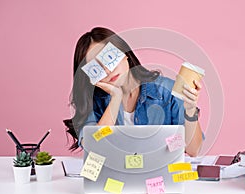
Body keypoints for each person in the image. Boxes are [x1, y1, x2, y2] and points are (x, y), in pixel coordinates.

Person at [64, 27, 204, 157]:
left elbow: (193, 150)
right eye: (96, 68)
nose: (108, 70)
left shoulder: (166, 91)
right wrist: (115, 98)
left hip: (161, 178)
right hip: (114, 180)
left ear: (124, 54)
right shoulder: (93, 102)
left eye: (110, 58)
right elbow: (95, 149)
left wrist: (190, 110)